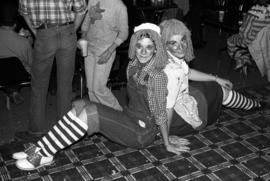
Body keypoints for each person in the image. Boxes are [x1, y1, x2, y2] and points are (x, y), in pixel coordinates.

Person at [13, 23, 192, 171]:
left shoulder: (158, 76)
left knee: (92, 112)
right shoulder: (132, 66)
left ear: (155, 50)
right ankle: (41, 147)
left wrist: (166, 141)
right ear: (133, 46)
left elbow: (161, 112)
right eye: (139, 46)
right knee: (80, 103)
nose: (143, 52)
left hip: (142, 132)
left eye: (149, 47)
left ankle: (45, 154)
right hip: (128, 117)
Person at [159, 19, 262, 129]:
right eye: (173, 43)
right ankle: (252, 105)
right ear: (165, 45)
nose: (180, 47)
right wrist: (167, 140)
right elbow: (167, 108)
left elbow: (187, 73)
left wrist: (215, 78)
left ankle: (250, 104)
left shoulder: (168, 58)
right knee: (217, 89)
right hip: (175, 117)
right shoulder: (171, 71)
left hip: (176, 104)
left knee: (211, 84)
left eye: (183, 40)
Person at [15, 0, 87, 140]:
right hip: (67, 32)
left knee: (39, 86)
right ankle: (64, 131)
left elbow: (24, 12)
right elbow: (81, 9)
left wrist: (36, 32)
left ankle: (36, 131)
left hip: (45, 33)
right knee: (65, 85)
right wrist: (72, 30)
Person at [80, 0, 129, 111]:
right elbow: (87, 20)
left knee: (98, 89)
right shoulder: (92, 0)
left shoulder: (119, 6)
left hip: (105, 49)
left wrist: (109, 51)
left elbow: (124, 33)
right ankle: (100, 118)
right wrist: (83, 36)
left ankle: (119, 114)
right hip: (89, 47)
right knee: (91, 89)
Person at [0, 0, 32, 104]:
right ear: (15, 24)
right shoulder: (23, 42)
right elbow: (31, 63)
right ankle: (13, 90)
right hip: (19, 76)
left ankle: (11, 91)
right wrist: (30, 40)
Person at [227, 0, 270, 70]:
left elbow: (244, 32)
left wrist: (241, 28)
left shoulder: (253, 12)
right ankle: (247, 58)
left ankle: (242, 58)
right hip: (265, 44)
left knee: (230, 40)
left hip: (251, 43)